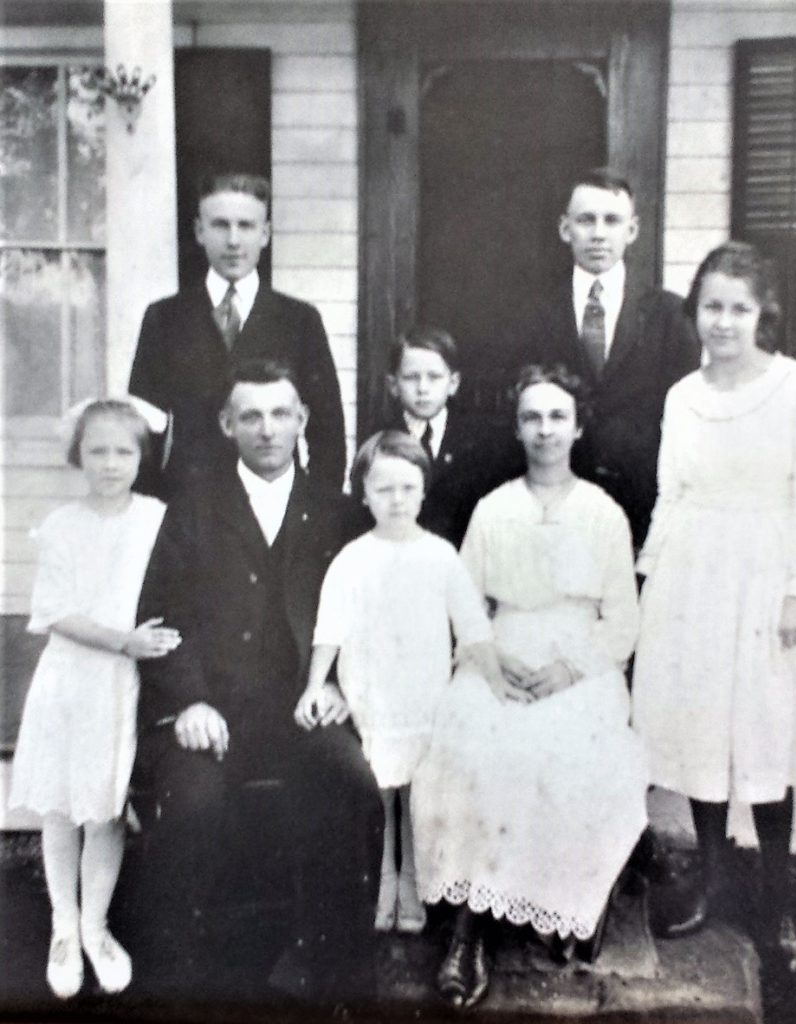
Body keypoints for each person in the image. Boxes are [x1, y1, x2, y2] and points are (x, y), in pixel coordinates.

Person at [131, 359, 382, 1003]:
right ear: (225, 425)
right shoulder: (191, 510)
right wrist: (186, 700)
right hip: (215, 711)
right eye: (250, 415)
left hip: (305, 707)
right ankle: (188, 979)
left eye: (280, 414)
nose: (267, 429)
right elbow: (160, 618)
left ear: (302, 420)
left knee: (352, 786)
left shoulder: (340, 513)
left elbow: (370, 618)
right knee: (192, 806)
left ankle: (338, 972)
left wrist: (338, 688)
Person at [411, 365, 649, 1009]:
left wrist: (570, 669)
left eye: (557, 417)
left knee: (565, 749)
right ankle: (469, 930)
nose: (545, 430)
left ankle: (564, 901)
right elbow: (465, 605)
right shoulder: (494, 508)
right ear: (517, 428)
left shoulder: (603, 512)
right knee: (468, 743)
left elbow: (623, 619)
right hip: (502, 655)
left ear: (577, 427)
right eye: (531, 418)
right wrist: (488, 658)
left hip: (581, 664)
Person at [631, 242, 796, 970]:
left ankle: (777, 904)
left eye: (739, 309)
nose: (723, 323)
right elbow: (671, 492)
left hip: (765, 576)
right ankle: (713, 887)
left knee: (764, 735)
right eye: (712, 307)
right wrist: (650, 577)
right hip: (694, 578)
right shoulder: (682, 397)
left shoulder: (794, 388)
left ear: (763, 315)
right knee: (703, 737)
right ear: (696, 313)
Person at [295, 430, 499, 937]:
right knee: (382, 791)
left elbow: (472, 627)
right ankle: (385, 881)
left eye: (408, 488)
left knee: (416, 792)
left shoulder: (440, 555)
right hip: (372, 689)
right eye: (383, 489)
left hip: (422, 690)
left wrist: (497, 681)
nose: (397, 500)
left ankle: (413, 882)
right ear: (363, 495)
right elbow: (329, 629)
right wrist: (315, 685)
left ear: (424, 491)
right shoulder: (352, 558)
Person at [9, 399, 175, 999]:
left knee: (104, 810)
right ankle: (62, 925)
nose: (110, 463)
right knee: (63, 808)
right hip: (72, 680)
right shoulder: (61, 525)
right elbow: (54, 612)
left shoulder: (156, 517)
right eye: (98, 451)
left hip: (121, 687)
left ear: (142, 457)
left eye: (124, 452)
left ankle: (96, 927)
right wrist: (124, 640)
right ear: (78, 455)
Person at [129, 172, 345, 497]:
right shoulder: (164, 318)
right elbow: (143, 430)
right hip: (189, 503)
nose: (233, 241)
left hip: (275, 504)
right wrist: (150, 510)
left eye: (245, 226)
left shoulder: (300, 320)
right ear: (200, 231)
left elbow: (328, 432)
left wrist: (313, 511)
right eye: (220, 225)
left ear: (265, 234)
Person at [517, 168, 699, 549]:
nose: (598, 233)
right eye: (586, 220)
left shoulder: (670, 315)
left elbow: (688, 427)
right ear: (565, 229)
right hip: (557, 506)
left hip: (643, 508)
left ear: (631, 231)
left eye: (611, 220)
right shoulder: (532, 315)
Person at [382, 326, 513, 547]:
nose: (423, 388)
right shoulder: (381, 442)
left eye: (434, 377)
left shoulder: (479, 442)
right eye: (412, 377)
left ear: (453, 383)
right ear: (393, 385)